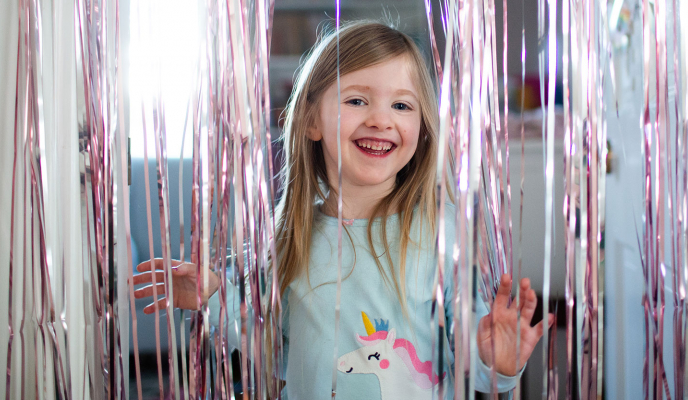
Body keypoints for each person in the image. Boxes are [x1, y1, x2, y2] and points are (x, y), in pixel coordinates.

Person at [133, 21, 552, 398]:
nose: (381, 120)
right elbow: (275, 354)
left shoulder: (443, 235)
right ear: (312, 121)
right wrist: (213, 297)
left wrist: (498, 361)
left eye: (402, 106)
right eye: (356, 100)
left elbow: (479, 366)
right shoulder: (286, 240)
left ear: (421, 130)